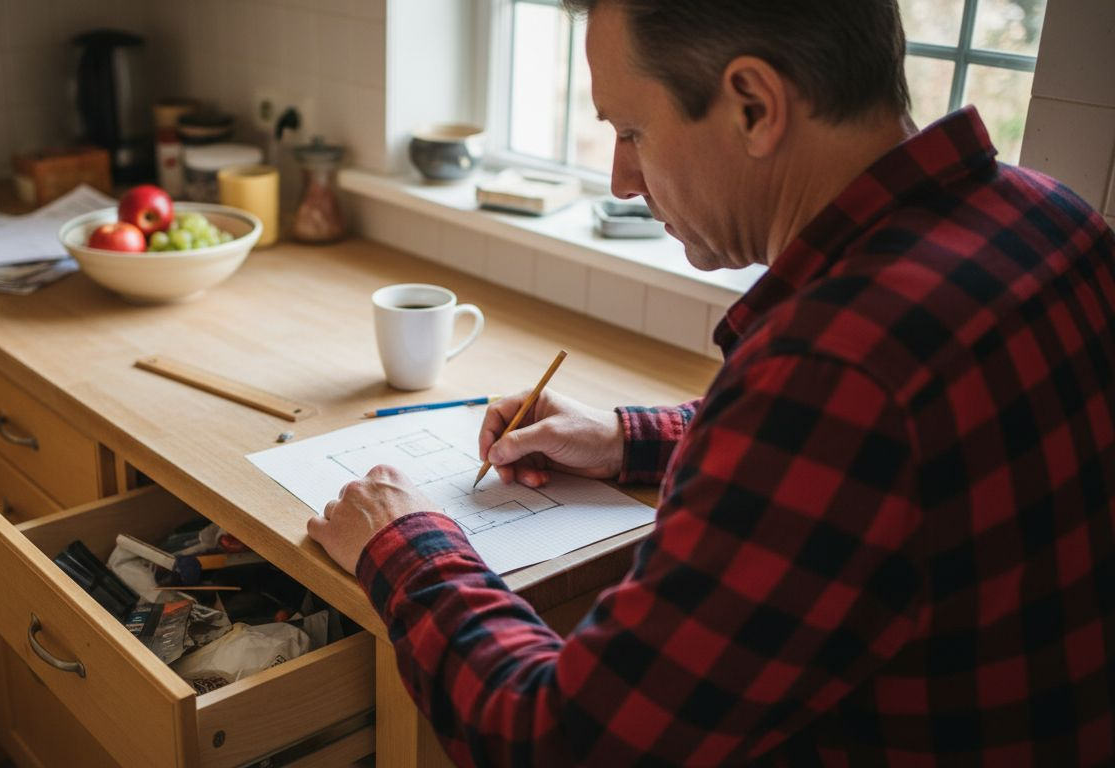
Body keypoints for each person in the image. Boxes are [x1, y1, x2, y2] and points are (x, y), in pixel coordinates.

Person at [309, 0, 1115, 763]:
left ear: (754, 107)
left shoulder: (831, 376)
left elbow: (562, 741)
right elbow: (872, 459)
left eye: (632, 131)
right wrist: (626, 438)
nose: (621, 180)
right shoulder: (1057, 221)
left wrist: (405, 544)